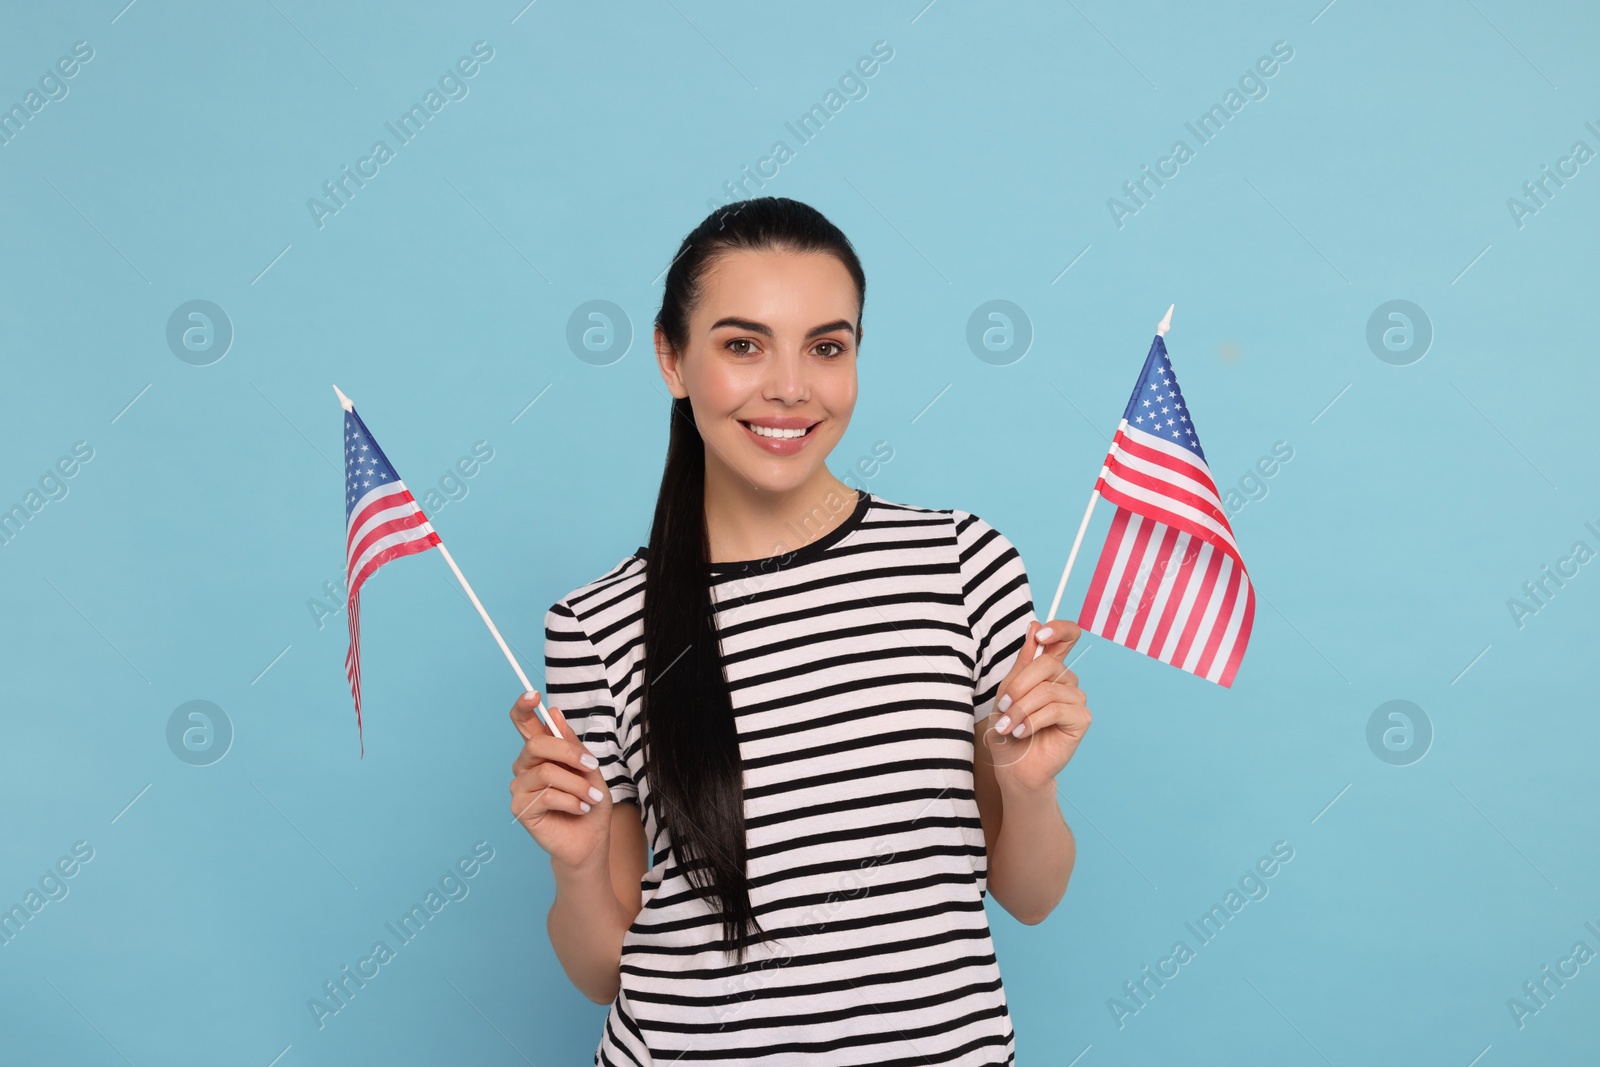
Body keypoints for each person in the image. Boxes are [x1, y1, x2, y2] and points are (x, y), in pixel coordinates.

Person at [507, 196, 1090, 1065]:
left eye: (828, 346)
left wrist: (1029, 786)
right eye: (742, 344)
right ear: (671, 358)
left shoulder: (961, 563)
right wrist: (579, 861)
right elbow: (601, 971)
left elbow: (1030, 895)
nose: (790, 386)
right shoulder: (595, 624)